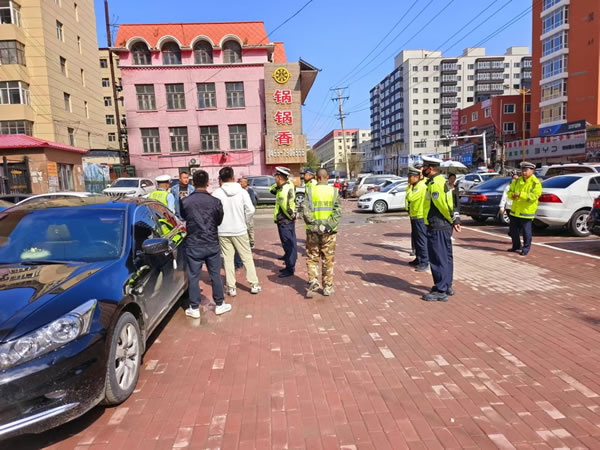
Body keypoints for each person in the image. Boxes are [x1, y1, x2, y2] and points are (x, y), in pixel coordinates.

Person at [181, 170, 231, 318]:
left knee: (193, 276)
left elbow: (183, 216)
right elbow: (219, 221)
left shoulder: (185, 201)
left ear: (193, 183)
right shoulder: (215, 201)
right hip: (211, 242)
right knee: (215, 275)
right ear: (208, 183)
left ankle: (194, 307)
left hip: (193, 243)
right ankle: (219, 304)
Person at [212, 166, 261, 296]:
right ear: (233, 177)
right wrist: (244, 221)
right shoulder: (242, 192)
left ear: (220, 179)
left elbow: (213, 213)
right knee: (247, 258)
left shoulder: (217, 193)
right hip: (240, 230)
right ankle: (254, 285)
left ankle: (231, 287)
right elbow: (251, 210)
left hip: (223, 231)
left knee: (228, 260)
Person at [421, 156, 461, 302]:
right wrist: (454, 220)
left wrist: (452, 219)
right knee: (446, 257)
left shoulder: (435, 184)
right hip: (443, 225)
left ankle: (441, 290)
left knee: (438, 258)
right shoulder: (440, 181)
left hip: (438, 225)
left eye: (424, 167)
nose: (422, 170)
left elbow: (443, 206)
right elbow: (450, 203)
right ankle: (446, 285)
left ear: (430, 169)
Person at [302, 168, 342, 297]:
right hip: (329, 233)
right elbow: (337, 212)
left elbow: (306, 212)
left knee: (312, 258)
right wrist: (327, 226)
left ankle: (313, 281)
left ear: (316, 178)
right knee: (328, 259)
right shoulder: (334, 191)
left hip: (312, 232)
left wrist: (315, 226)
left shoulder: (309, 190)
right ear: (327, 177)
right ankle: (327, 287)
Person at [507, 161, 542, 256]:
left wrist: (520, 195)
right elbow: (509, 191)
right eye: (522, 170)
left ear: (532, 171)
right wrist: (512, 195)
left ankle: (526, 248)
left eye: (526, 170)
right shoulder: (517, 180)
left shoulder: (535, 182)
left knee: (526, 233)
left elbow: (535, 196)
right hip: (515, 211)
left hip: (526, 212)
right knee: (513, 231)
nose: (524, 172)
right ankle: (516, 246)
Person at [269, 166, 297, 278]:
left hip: (285, 221)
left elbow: (287, 207)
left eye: (276, 177)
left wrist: (292, 217)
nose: (274, 179)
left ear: (279, 177)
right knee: (288, 243)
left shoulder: (284, 190)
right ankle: (289, 263)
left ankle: (290, 268)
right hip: (284, 220)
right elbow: (271, 190)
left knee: (289, 244)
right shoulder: (284, 185)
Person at [406, 166, 429, 272]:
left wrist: (409, 189)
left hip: (420, 217)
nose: (408, 179)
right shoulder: (415, 186)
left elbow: (410, 197)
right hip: (414, 216)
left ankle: (424, 262)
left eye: (410, 177)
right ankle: (418, 259)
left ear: (416, 177)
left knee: (421, 240)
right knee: (416, 240)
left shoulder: (420, 186)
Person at [234, 177, 257, 269]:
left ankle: (251, 242)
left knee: (250, 228)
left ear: (246, 183)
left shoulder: (249, 191)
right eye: (240, 182)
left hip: (247, 213)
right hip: (240, 215)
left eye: (242, 182)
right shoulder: (238, 191)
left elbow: (253, 203)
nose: (241, 183)